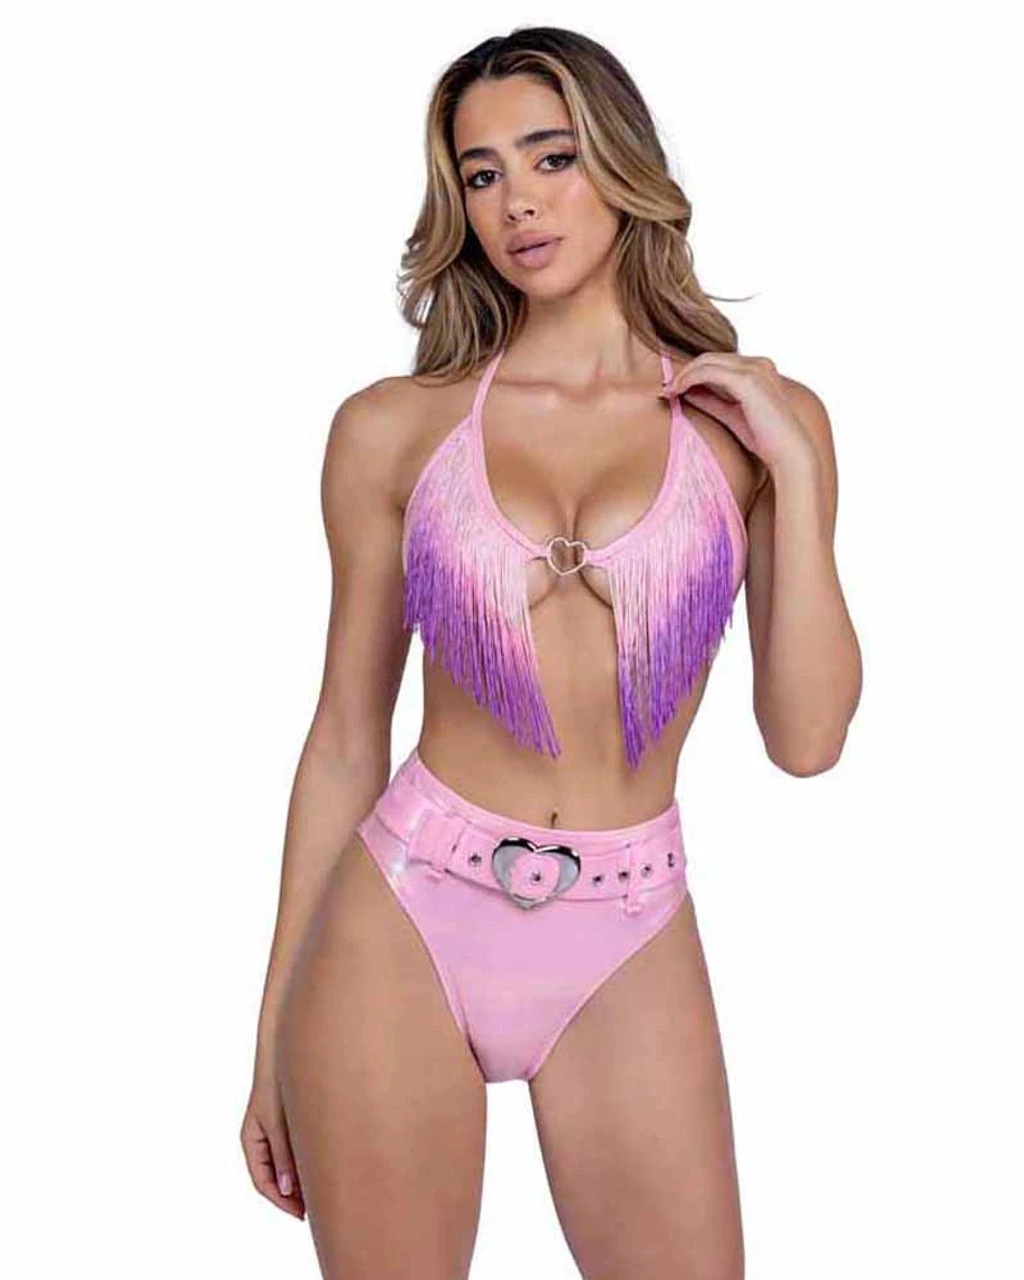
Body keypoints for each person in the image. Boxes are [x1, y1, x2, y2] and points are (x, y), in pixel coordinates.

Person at [240, 25, 862, 1280]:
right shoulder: (392, 429)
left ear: (620, 162)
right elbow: (346, 732)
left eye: (551, 155)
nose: (516, 200)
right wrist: (271, 1035)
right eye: (480, 174)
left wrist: (793, 468)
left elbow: (806, 742)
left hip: (627, 920)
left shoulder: (756, 427)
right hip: (402, 911)